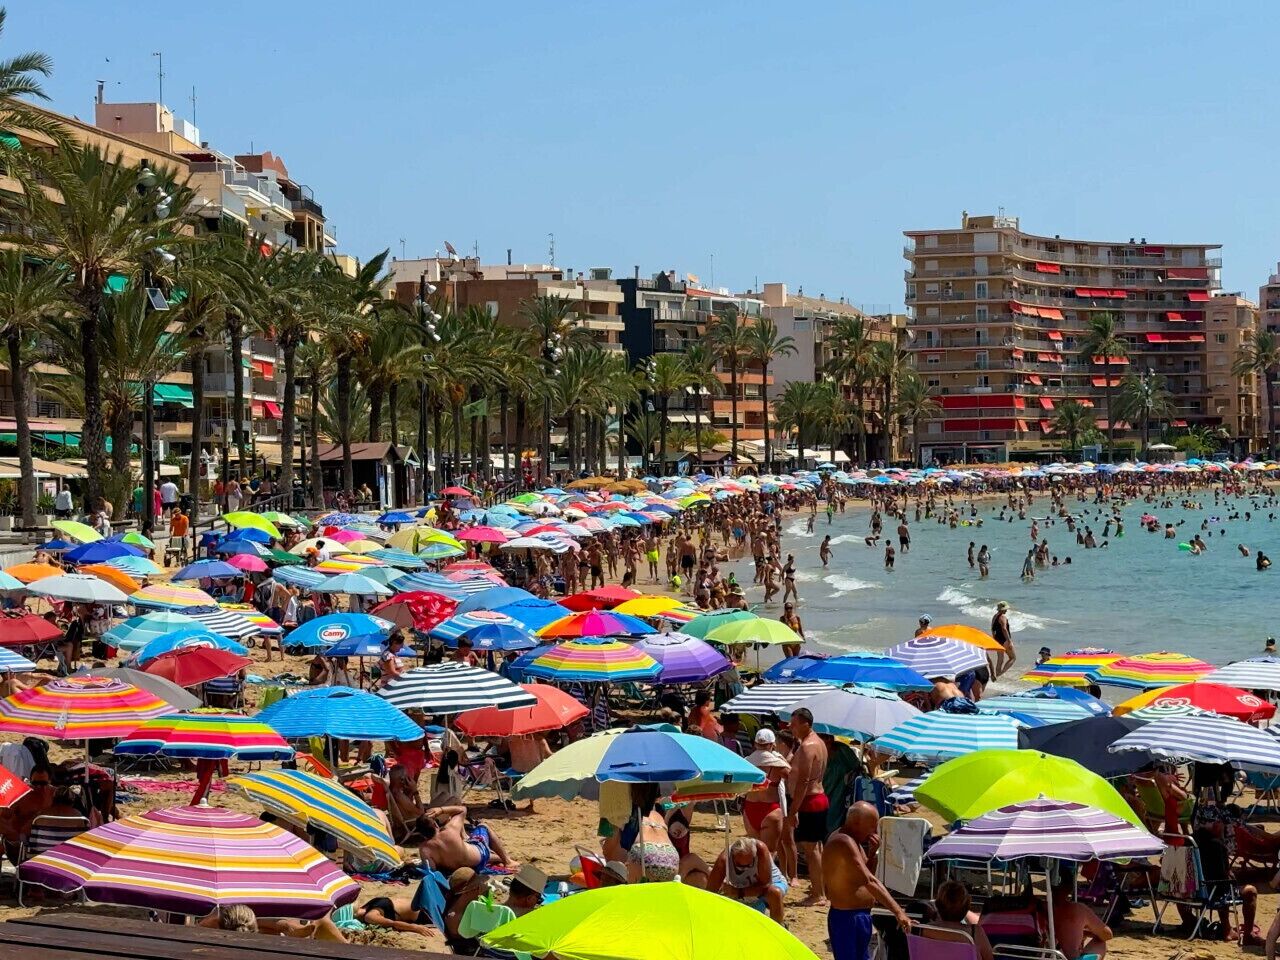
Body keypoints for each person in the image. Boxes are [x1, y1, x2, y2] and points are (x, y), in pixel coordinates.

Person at [824, 802, 911, 960]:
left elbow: (864, 875)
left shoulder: (853, 840)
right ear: (856, 822)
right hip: (846, 918)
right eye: (872, 826)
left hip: (859, 915)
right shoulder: (843, 841)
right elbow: (869, 880)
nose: (874, 831)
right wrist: (898, 911)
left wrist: (872, 854)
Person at [786, 706, 829, 905]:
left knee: (811, 851)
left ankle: (818, 894)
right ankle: (819, 890)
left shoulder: (808, 747)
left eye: (794, 724)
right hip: (817, 798)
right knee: (816, 849)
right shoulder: (818, 742)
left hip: (809, 801)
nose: (791, 727)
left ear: (806, 724)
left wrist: (793, 810)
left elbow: (803, 782)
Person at [417, 804, 515, 873]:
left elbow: (431, 870)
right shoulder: (450, 829)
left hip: (454, 869)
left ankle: (498, 858)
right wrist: (441, 810)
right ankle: (508, 861)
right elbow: (462, 809)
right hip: (477, 859)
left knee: (465, 850)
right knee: (483, 826)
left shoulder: (424, 849)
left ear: (422, 834)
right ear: (435, 824)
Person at [709, 837, 787, 923]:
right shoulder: (724, 859)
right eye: (739, 865)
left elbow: (765, 886)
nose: (744, 869)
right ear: (733, 856)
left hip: (769, 886)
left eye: (749, 865)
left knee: (774, 893)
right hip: (743, 892)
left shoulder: (761, 850)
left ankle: (778, 926)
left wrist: (738, 892)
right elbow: (710, 891)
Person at [923, 880, 993, 960]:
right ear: (967, 907)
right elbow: (989, 958)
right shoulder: (975, 933)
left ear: (937, 905)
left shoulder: (924, 930)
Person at [1046, 879, 1111, 959]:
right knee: (1100, 942)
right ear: (1070, 888)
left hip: (1041, 954)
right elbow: (1107, 934)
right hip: (1066, 957)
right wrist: (1086, 932)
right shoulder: (1078, 909)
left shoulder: (1040, 907)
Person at [992, 601, 1014, 676]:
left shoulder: (995, 616)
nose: (1006, 610)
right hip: (1004, 640)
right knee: (1013, 658)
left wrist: (994, 638)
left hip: (997, 640)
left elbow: (992, 628)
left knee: (1000, 659)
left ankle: (997, 675)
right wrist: (1009, 641)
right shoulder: (1002, 617)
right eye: (1005, 609)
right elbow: (1004, 629)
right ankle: (1000, 674)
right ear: (1003, 609)